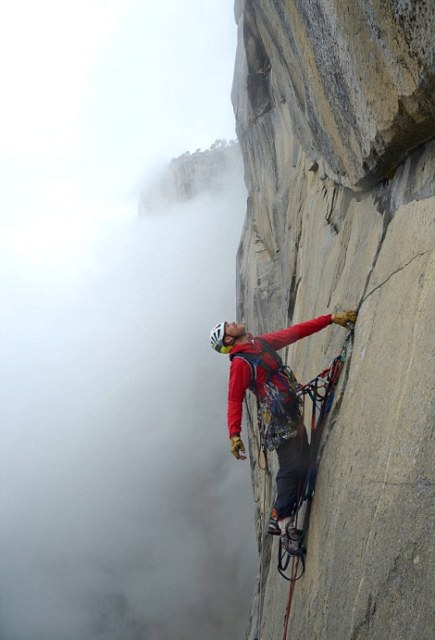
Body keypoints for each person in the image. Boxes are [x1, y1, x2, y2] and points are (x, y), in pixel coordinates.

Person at [210, 311, 357, 554]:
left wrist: (331, 319)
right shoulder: (240, 364)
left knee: (304, 461)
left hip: (288, 409)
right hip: (277, 419)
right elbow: (234, 399)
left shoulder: (260, 344)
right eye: (229, 326)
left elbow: (296, 332)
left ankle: (289, 522)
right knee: (292, 466)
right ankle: (280, 522)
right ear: (228, 340)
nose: (233, 323)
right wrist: (234, 434)